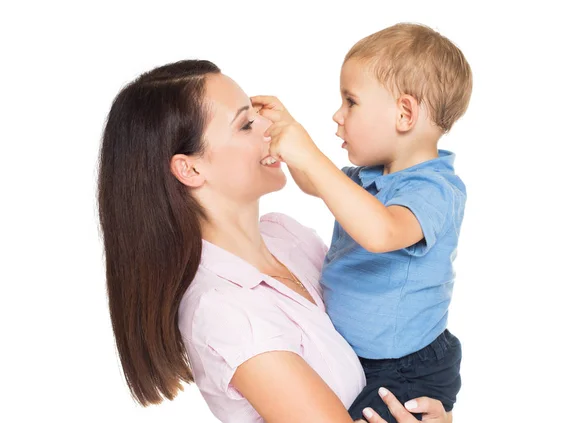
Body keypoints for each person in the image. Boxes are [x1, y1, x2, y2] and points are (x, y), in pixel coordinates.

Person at [98, 60, 451, 423]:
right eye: (247, 124)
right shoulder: (221, 311)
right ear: (190, 169)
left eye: (259, 115)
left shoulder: (286, 235)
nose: (270, 127)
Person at [251, 23, 472, 421]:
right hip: (359, 356)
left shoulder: (435, 188)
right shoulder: (367, 176)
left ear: (405, 113)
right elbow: (314, 181)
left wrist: (310, 154)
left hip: (405, 368)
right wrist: (289, 137)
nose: (337, 116)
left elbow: (381, 232)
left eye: (350, 102)